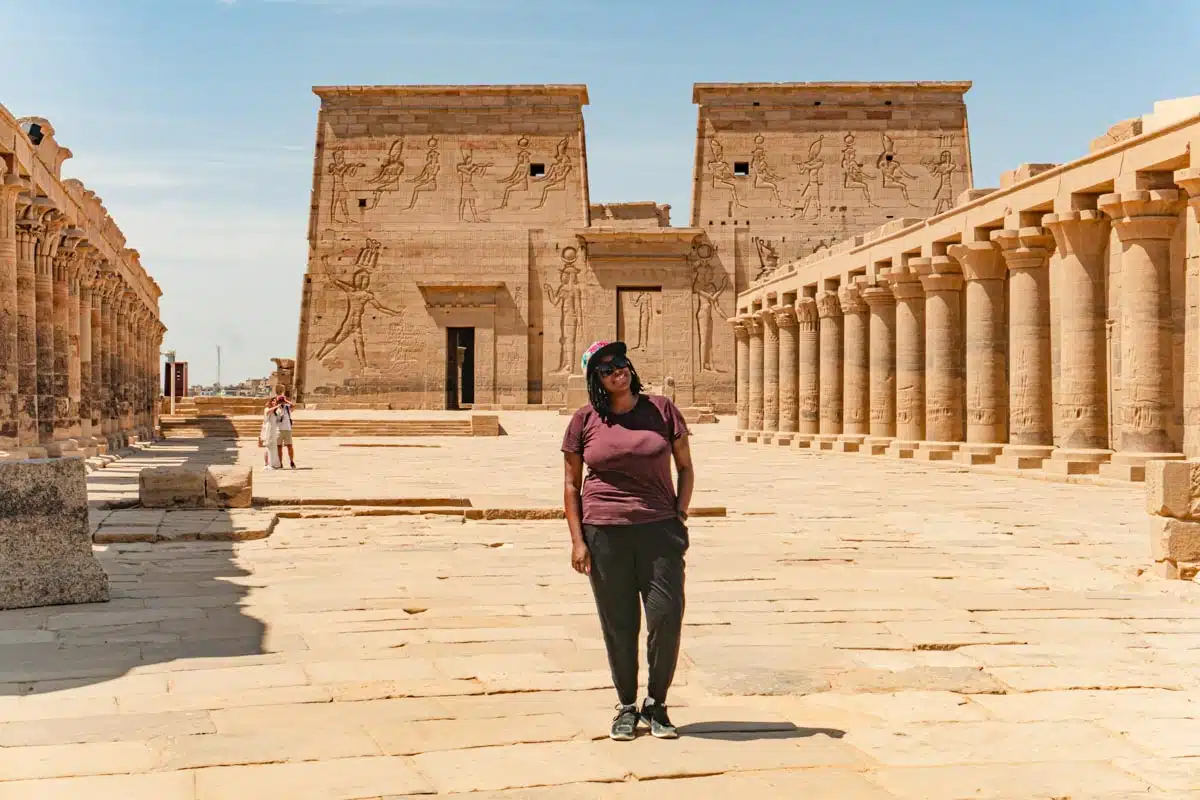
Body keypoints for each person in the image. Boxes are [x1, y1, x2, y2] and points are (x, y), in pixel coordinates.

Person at [561, 340, 694, 741]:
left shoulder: (662, 410)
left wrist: (681, 513)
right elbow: (570, 484)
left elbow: (685, 466)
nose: (616, 370)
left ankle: (657, 703)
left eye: (620, 363)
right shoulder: (584, 420)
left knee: (666, 617)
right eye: (605, 368)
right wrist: (577, 540)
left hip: (659, 529)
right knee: (619, 624)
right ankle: (625, 705)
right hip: (604, 532)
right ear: (595, 380)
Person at [273, 393, 297, 469]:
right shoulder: (275, 409)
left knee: (289, 446)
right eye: (280, 401)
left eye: (282, 401)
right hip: (278, 430)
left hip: (287, 429)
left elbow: (294, 405)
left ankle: (291, 461)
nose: (281, 402)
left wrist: (286, 400)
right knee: (279, 447)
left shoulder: (287, 407)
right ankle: (280, 463)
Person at [258, 400, 281, 470]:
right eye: (273, 402)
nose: (275, 403)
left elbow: (278, 420)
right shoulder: (267, 409)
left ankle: (273, 463)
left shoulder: (276, 411)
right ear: (270, 402)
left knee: (274, 447)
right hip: (269, 429)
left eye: (276, 402)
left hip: (274, 429)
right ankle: (267, 463)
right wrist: (276, 406)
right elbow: (268, 412)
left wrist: (280, 413)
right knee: (268, 446)